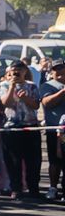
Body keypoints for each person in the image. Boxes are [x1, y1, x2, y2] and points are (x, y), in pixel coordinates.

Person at [0, 61, 42, 200]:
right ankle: (16, 188)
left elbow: (35, 105)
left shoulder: (32, 86)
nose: (15, 73)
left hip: (30, 126)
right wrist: (12, 86)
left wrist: (25, 97)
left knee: (33, 161)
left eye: (18, 71)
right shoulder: (4, 85)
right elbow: (6, 103)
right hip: (12, 128)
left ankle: (33, 188)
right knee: (13, 161)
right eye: (12, 71)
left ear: (24, 71)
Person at [39, 61, 65, 203]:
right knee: (55, 160)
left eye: (62, 69)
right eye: (56, 70)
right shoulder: (47, 86)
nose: (59, 73)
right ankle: (53, 188)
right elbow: (46, 102)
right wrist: (62, 92)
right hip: (54, 130)